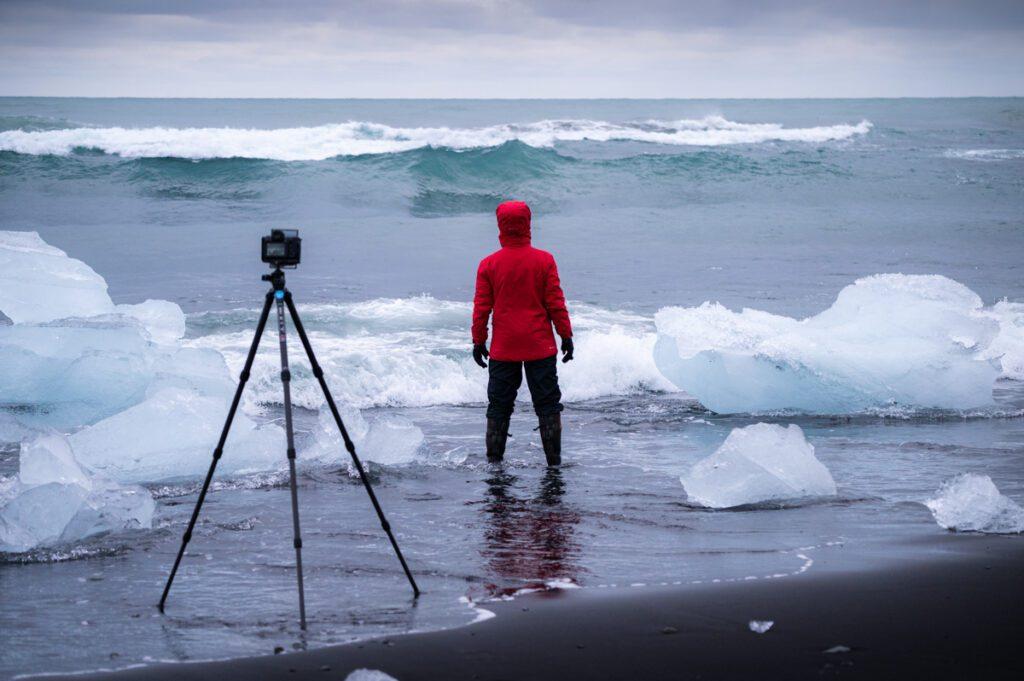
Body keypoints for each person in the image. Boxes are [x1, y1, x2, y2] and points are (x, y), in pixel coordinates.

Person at [471, 200, 573, 465]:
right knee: (548, 404)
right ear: (528, 223)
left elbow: (482, 308)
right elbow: (555, 304)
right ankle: (554, 463)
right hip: (540, 346)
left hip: (504, 349)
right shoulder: (544, 260)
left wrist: (478, 340)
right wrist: (566, 335)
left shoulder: (488, 264)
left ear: (500, 225)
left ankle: (494, 463)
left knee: (499, 406)